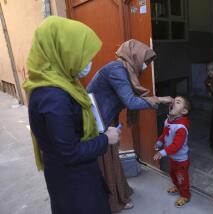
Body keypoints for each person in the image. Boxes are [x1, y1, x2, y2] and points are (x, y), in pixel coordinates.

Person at [23, 16, 120, 214]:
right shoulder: (54, 97)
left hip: (71, 176)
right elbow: (70, 153)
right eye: (83, 55)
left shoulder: (60, 84)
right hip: (73, 183)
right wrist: (105, 139)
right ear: (62, 51)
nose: (89, 62)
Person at [87, 39, 173, 212]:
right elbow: (131, 102)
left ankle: (119, 193)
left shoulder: (125, 70)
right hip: (98, 122)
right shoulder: (116, 70)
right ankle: (112, 201)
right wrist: (160, 99)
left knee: (111, 159)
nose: (145, 66)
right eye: (145, 61)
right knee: (106, 162)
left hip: (106, 119)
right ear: (134, 56)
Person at [153, 96, 192, 207]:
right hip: (172, 158)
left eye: (178, 102)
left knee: (182, 178)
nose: (173, 102)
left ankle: (185, 195)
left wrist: (162, 152)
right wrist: (159, 142)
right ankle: (176, 186)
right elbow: (165, 133)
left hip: (181, 160)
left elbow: (176, 146)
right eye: (174, 101)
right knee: (173, 174)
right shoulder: (168, 120)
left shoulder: (181, 127)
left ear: (184, 111)